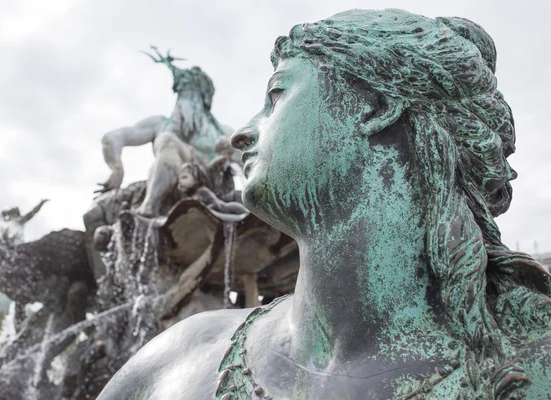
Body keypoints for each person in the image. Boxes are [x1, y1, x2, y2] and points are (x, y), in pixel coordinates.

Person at [98, 10, 551, 399]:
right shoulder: (172, 361)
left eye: (276, 95)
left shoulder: (538, 363)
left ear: (373, 106)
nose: (241, 133)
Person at [96, 47, 234, 217]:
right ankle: (150, 207)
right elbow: (111, 138)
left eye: (195, 91)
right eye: (184, 90)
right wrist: (117, 169)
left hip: (209, 185)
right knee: (167, 140)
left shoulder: (222, 133)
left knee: (168, 139)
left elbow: (255, 160)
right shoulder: (159, 124)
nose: (188, 98)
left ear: (205, 97)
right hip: (173, 183)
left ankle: (149, 207)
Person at [176, 162, 248, 215]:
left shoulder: (202, 191)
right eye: (179, 179)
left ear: (196, 179)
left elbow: (216, 204)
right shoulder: (191, 195)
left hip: (233, 210)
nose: (180, 181)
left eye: (184, 177)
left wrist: (204, 210)